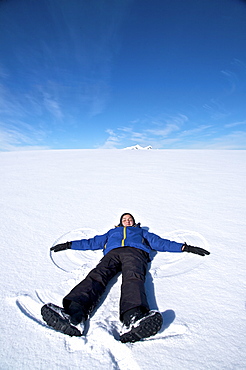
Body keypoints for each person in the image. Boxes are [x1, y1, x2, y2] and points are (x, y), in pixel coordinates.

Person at [41, 213, 210, 342]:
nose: (127, 221)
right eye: (125, 219)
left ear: (134, 222)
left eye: (130, 219)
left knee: (133, 278)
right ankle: (73, 315)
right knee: (96, 276)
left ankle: (133, 317)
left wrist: (184, 247)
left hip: (135, 253)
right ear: (120, 222)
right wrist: (70, 244)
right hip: (112, 254)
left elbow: (161, 243)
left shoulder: (141, 232)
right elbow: (92, 242)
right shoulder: (111, 233)